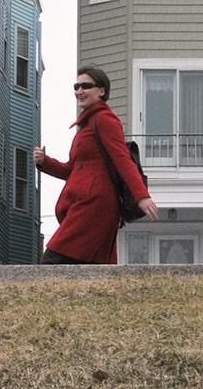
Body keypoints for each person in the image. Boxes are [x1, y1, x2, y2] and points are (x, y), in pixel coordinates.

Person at [34, 67, 158, 264]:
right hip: (83, 201)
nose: (79, 91)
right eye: (77, 86)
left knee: (54, 260)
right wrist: (45, 162)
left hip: (95, 204)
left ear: (101, 91)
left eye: (86, 86)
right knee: (87, 265)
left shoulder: (105, 119)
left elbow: (122, 160)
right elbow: (73, 171)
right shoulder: (85, 126)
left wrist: (141, 196)